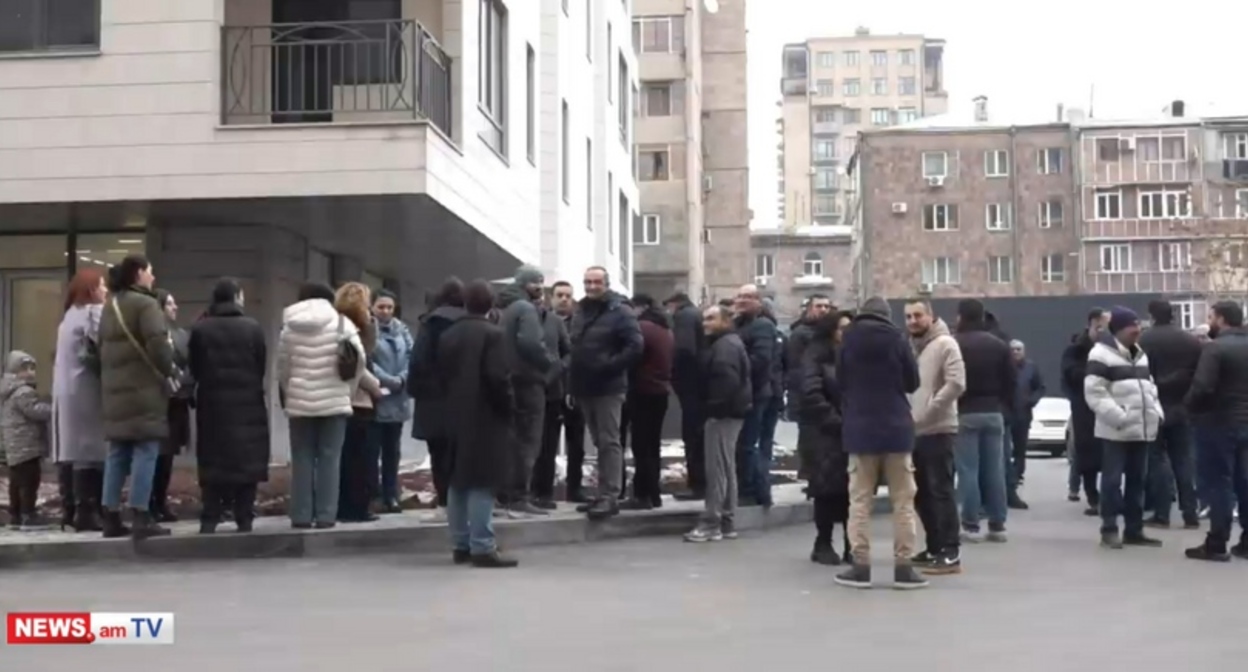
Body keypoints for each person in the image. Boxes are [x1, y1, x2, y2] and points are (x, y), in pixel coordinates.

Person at [834, 297, 924, 590]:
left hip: (860, 428)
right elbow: (912, 381)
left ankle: (860, 566)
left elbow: (841, 380)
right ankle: (904, 567)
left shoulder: (849, 339)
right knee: (903, 501)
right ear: (887, 315)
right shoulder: (897, 338)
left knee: (859, 500)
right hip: (897, 428)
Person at [437, 280, 518, 568]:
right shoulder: (493, 335)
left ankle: (460, 544)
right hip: (485, 416)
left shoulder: (449, 335)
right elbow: (498, 379)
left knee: (458, 481)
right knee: (483, 481)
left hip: (453, 415)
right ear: (491, 304)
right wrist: (509, 408)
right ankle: (482, 545)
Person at [278, 282, 367, 530]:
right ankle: (327, 515)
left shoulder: (289, 328)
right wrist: (346, 391)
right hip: (335, 403)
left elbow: (282, 366)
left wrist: (290, 389)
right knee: (330, 458)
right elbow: (358, 362)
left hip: (299, 402)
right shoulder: (342, 324)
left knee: (302, 457)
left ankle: (301, 515)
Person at [97, 254, 175, 539]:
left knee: (117, 453)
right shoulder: (146, 304)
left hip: (114, 393)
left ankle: (110, 515)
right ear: (139, 273)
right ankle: (141, 514)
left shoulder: (110, 306)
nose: (153, 277)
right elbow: (158, 345)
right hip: (143, 391)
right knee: (146, 450)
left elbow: (98, 349)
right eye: (150, 271)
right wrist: (169, 370)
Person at [187, 278, 270, 534]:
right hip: (248, 404)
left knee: (213, 460)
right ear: (236, 297)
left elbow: (194, 368)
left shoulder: (200, 330)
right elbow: (261, 365)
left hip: (212, 405)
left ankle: (210, 516)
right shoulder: (253, 328)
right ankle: (244, 517)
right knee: (247, 461)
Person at [1085, 306, 1164, 549]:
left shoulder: (1141, 355)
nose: (1137, 331)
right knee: (1111, 480)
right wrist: (1119, 417)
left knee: (1137, 480)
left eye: (1138, 326)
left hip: (1142, 428)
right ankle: (1109, 528)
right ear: (1119, 329)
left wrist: (1156, 413)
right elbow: (1094, 392)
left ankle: (1134, 529)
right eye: (1132, 327)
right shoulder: (1101, 355)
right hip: (1116, 430)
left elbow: (1149, 387)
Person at [569, 267, 643, 520]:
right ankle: (602, 494)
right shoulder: (581, 311)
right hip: (584, 386)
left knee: (609, 441)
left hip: (609, 387)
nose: (591, 286)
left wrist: (608, 366)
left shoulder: (620, 311)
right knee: (599, 443)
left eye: (596, 282)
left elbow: (635, 346)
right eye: (587, 282)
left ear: (607, 284)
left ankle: (611, 496)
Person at [903, 299, 966, 574]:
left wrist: (929, 410)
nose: (913, 321)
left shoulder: (945, 344)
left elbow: (956, 383)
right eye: (907, 317)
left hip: (939, 429)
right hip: (914, 429)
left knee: (940, 490)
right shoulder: (912, 346)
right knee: (920, 493)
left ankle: (950, 551)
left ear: (931, 316)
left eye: (918, 315)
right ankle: (934, 546)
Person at [1183, 301, 1248, 561]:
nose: (1209, 321)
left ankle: (1217, 541)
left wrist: (1189, 408)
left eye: (1211, 317)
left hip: (1218, 423)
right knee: (1245, 482)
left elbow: (1203, 387)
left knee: (1219, 482)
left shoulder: (1215, 348)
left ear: (1220, 319)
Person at [684, 305, 751, 542]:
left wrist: (713, 409)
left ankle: (712, 522)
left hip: (723, 415)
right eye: (704, 320)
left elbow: (726, 382)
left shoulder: (724, 347)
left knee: (717, 470)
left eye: (711, 319)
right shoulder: (730, 343)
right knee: (726, 467)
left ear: (725, 321)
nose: (705, 324)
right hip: (730, 413)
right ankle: (726, 521)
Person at [952, 299, 1015, 543]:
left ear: (961, 317)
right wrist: (1005, 408)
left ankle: (970, 523)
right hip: (993, 412)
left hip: (965, 412)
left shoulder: (955, 345)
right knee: (995, 469)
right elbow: (1011, 381)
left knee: (968, 470)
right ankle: (997, 524)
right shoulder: (999, 346)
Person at [496, 265, 557, 517]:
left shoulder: (506, 309)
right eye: (537, 282)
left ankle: (505, 494)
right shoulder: (525, 309)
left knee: (512, 440)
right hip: (528, 382)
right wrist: (549, 362)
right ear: (525, 284)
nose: (541, 287)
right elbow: (530, 343)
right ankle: (519, 496)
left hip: (509, 381)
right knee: (528, 441)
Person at [51, 268, 109, 533]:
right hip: (87, 388)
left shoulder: (68, 317)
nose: (106, 290)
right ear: (91, 290)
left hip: (66, 390)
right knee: (91, 451)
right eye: (102, 286)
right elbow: (106, 344)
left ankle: (72, 509)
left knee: (73, 450)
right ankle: (89, 511)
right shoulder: (91, 313)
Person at [1138, 300, 1202, 530]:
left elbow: (1139, 374)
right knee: (1184, 461)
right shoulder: (1191, 341)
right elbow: (1200, 375)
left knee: (1157, 460)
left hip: (1155, 406)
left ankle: (1162, 513)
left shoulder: (1144, 340)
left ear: (1152, 315)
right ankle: (1190, 512)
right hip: (1182, 407)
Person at [408, 278, 466, 522]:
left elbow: (418, 361)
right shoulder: (471, 322)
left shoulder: (430, 324)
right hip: (464, 400)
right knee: (460, 456)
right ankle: (462, 505)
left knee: (438, 454)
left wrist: (416, 389)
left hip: (433, 400)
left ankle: (444, 504)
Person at [797, 311, 853, 563]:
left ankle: (854, 543)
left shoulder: (856, 356)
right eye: (842, 328)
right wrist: (834, 420)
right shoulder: (816, 354)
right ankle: (823, 542)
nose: (847, 333)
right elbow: (811, 393)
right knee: (826, 490)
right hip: (823, 432)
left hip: (852, 431)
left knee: (855, 490)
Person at [335, 283, 387, 523]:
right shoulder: (361, 329)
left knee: (344, 457)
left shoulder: (335, 324)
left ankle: (343, 505)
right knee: (362, 458)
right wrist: (376, 387)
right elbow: (361, 364)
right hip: (360, 399)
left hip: (339, 398)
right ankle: (357, 507)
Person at [622, 294, 674, 511]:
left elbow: (633, 356)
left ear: (640, 307)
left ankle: (642, 495)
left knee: (641, 446)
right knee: (653, 445)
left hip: (642, 391)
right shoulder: (664, 329)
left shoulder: (642, 327)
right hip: (660, 391)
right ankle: (654, 494)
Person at [368, 289, 414, 514]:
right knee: (371, 450)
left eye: (389, 307)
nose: (385, 311)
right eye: (380, 307)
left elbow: (411, 357)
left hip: (398, 398)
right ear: (372, 307)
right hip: (376, 396)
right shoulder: (367, 330)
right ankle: (372, 495)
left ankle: (391, 495)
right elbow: (366, 360)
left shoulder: (402, 330)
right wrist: (386, 380)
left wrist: (402, 379)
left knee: (392, 451)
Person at [732, 284, 778, 508]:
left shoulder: (762, 326)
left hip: (755, 393)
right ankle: (747, 488)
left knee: (748, 444)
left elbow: (761, 360)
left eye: (748, 297)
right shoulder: (737, 324)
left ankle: (753, 491)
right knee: (743, 444)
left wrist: (733, 368)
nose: (742, 300)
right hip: (741, 392)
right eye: (740, 296)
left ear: (759, 302)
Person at [541, 281, 588, 503]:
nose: (564, 299)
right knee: (546, 444)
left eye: (568, 295)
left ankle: (575, 488)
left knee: (576, 445)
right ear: (551, 297)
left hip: (575, 390)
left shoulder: (580, 323)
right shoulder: (542, 321)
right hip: (549, 390)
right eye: (560, 295)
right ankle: (543, 490)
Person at [149, 290, 192, 524]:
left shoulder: (182, 334)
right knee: (156, 455)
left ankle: (160, 500)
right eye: (170, 304)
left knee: (167, 457)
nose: (175, 308)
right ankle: (151, 502)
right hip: (159, 402)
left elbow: (188, 363)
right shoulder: (156, 335)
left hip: (177, 402)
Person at [1063, 308, 1109, 515]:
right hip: (1085, 408)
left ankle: (1110, 497)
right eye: (1101, 326)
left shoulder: (1116, 348)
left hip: (1110, 407)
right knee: (1087, 453)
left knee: (1112, 454)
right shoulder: (1077, 349)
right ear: (1093, 324)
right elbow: (1071, 375)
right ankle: (1093, 497)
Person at [1, 351, 53, 530]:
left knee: (16, 481)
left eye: (33, 368)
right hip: (27, 446)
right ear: (15, 371)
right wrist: (52, 409)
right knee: (30, 481)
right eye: (25, 369)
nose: (30, 372)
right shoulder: (23, 391)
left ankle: (15, 513)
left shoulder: (7, 391)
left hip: (14, 447)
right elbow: (34, 411)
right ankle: (28, 513)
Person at [531, 284, 571, 509]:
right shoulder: (518, 319)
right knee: (528, 444)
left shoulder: (554, 322)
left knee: (548, 444)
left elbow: (568, 352)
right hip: (524, 391)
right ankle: (523, 491)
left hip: (552, 392)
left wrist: (557, 369)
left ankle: (543, 492)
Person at [665, 291, 706, 500]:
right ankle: (700, 484)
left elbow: (684, 349)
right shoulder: (695, 314)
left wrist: (674, 376)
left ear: (674, 304)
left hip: (691, 385)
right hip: (698, 385)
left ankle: (697, 485)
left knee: (693, 435)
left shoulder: (684, 317)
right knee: (698, 436)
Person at [1004, 339, 1044, 510]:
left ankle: (1016, 477)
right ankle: (1008, 482)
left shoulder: (1031, 367)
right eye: (1012, 350)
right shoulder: (1003, 368)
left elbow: (1040, 387)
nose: (1015, 352)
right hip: (1006, 414)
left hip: (1023, 414)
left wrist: (1031, 401)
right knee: (1004, 451)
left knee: (1020, 450)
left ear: (1024, 351)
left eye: (1019, 349)